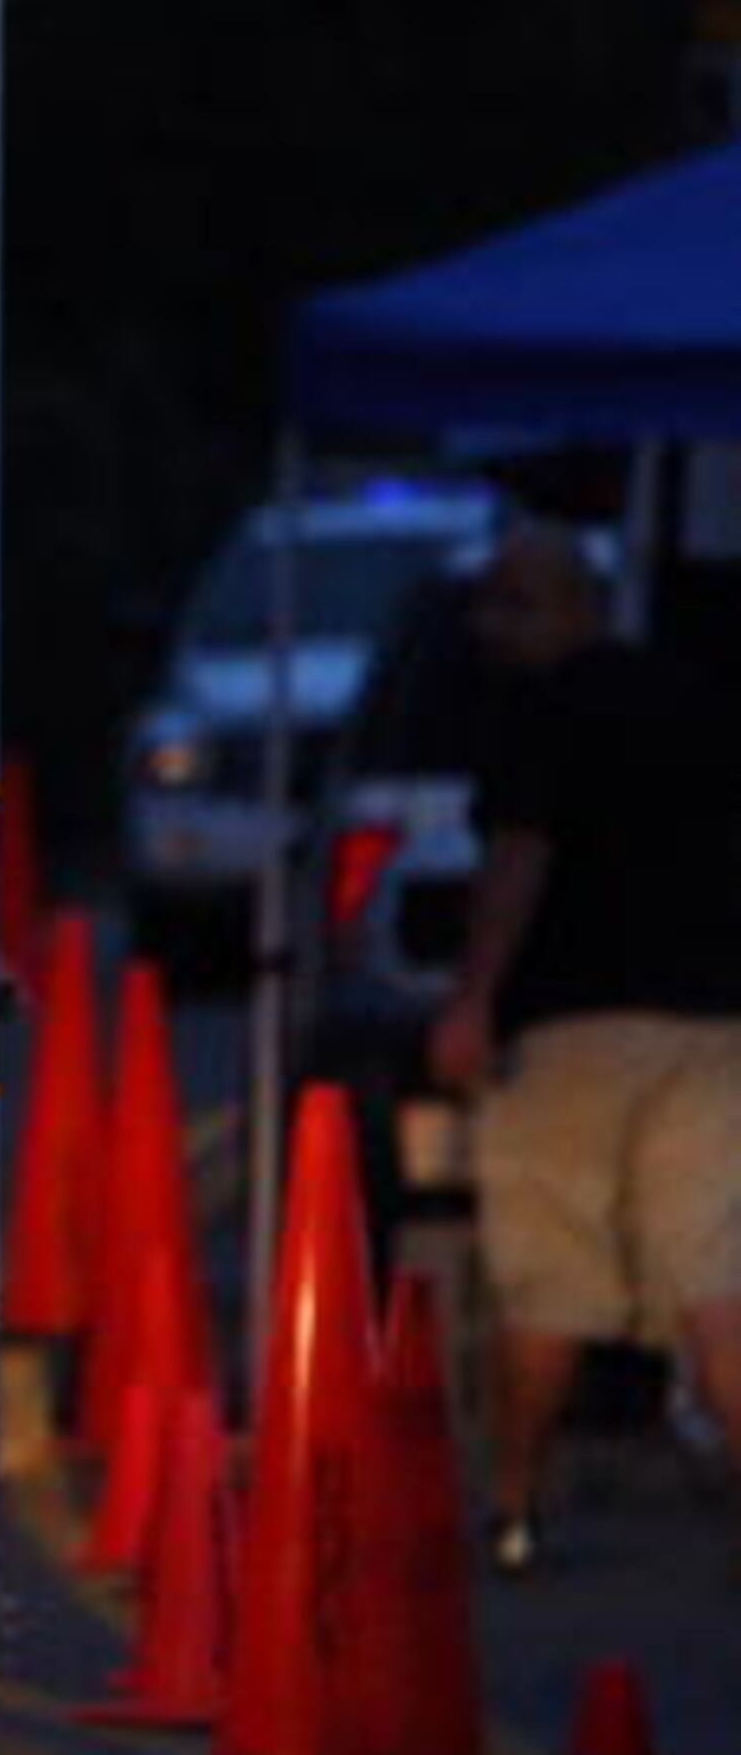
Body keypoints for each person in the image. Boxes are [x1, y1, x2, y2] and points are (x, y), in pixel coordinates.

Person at [426, 522, 741, 1574]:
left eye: (509, 603)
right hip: (708, 1031)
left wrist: (472, 998)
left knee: (547, 1284)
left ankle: (515, 1508)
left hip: (570, 1035)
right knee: (717, 1283)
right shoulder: (698, 699)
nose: (487, 625)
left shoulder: (538, 712)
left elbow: (518, 858)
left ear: (571, 608)